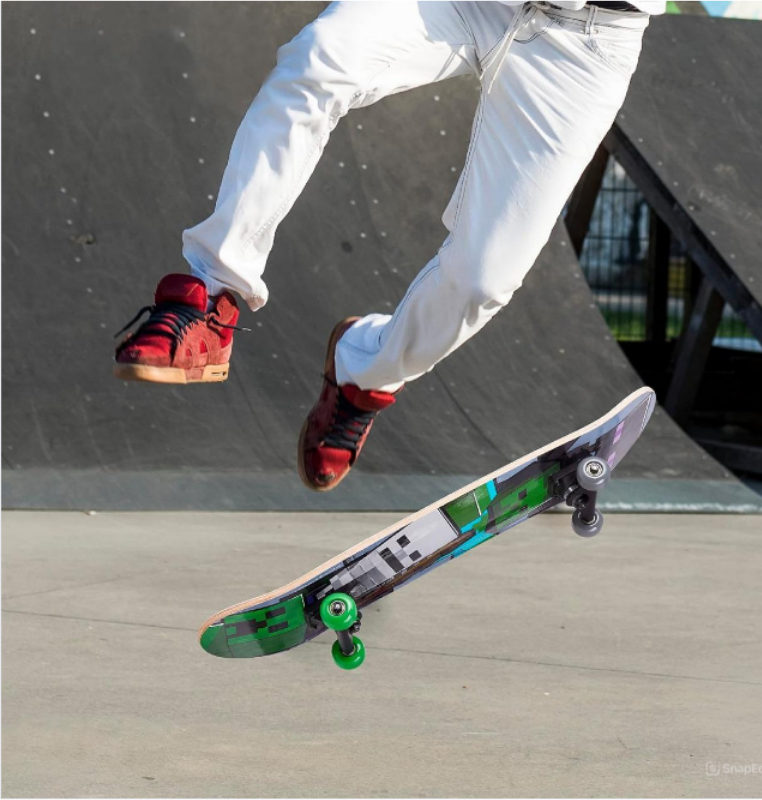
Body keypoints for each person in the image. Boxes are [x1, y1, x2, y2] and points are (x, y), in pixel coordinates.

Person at [114, 0, 664, 491]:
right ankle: (212, 294)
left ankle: (364, 370)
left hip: (589, 41)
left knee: (483, 280)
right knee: (318, 60)